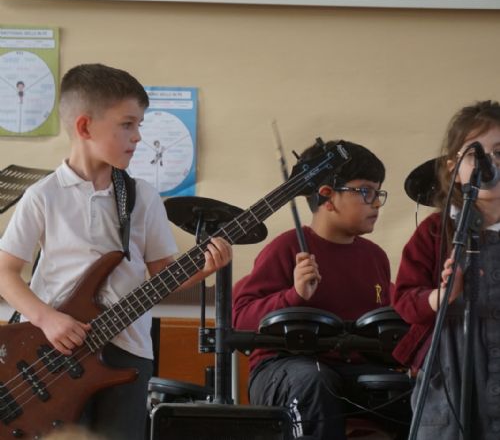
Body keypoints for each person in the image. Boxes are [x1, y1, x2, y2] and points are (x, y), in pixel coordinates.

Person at [0, 63, 232, 440]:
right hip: (54, 351)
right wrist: (48, 319)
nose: (138, 136)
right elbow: (4, 271)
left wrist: (203, 268)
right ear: (84, 127)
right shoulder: (43, 196)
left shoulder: (144, 197)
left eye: (139, 125)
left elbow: (163, 275)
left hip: (129, 350)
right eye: (127, 124)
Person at [233, 140, 392, 440]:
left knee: (417, 390)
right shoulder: (286, 247)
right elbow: (240, 318)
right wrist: (293, 296)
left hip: (351, 370)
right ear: (327, 196)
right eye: (365, 191)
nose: (376, 203)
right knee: (313, 381)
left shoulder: (375, 257)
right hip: (283, 369)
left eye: (378, 193)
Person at [392, 100, 500, 439]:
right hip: (449, 371)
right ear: (454, 167)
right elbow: (404, 300)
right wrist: (441, 296)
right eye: (475, 153)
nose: (489, 162)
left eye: (499, 152)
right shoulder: (436, 231)